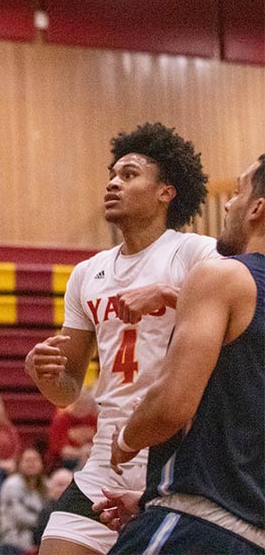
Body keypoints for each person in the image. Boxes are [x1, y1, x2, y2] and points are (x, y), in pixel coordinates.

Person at [25, 123, 218, 555]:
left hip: (179, 459)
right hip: (107, 458)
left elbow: (245, 314)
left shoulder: (196, 253)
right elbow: (67, 391)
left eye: (129, 175)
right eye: (112, 174)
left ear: (166, 191)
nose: (113, 183)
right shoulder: (86, 273)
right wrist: (42, 373)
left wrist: (168, 294)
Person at [104, 155, 265, 554]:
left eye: (239, 192)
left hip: (192, 528)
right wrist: (151, 498)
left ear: (258, 209)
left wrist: (126, 438)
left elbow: (172, 405)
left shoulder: (223, 276)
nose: (228, 204)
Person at [0, 447, 47, 555]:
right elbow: (19, 517)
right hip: (15, 538)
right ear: (19, 464)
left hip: (39, 533)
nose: (31, 464)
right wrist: (45, 522)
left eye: (35, 460)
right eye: (27, 460)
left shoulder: (45, 485)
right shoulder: (12, 484)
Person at [46, 386, 97, 471]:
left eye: (85, 404)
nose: (81, 407)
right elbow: (60, 450)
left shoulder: (96, 420)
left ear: (92, 406)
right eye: (78, 403)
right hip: (66, 462)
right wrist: (82, 453)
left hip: (91, 458)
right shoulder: (61, 420)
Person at [33, 468, 74, 547]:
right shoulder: (45, 512)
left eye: (68, 486)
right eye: (60, 485)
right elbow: (38, 539)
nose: (64, 489)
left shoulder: (82, 510)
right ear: (51, 489)